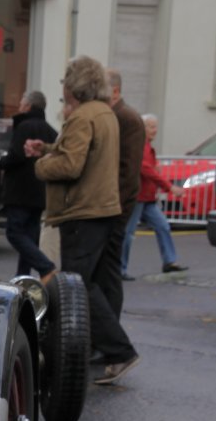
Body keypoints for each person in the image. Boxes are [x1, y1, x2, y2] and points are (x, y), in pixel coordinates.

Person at [28, 55, 139, 384]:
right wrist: (49, 148)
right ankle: (109, 350)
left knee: (77, 286)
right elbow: (86, 153)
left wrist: (40, 165)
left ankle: (118, 350)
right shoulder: (104, 113)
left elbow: (71, 165)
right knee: (96, 283)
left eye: (66, 81)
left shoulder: (81, 117)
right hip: (103, 208)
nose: (63, 86)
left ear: (75, 85)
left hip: (81, 210)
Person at [0, 90, 58, 279]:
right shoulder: (51, 131)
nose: (19, 107)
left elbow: (16, 156)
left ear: (28, 106)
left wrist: (1, 163)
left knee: (14, 233)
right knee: (30, 236)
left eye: (21, 103)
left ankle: (46, 267)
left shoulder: (23, 126)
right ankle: (22, 276)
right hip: (40, 191)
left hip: (19, 190)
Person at [120, 114, 183, 276]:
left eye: (155, 127)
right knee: (128, 233)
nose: (155, 130)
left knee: (162, 226)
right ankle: (120, 268)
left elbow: (147, 168)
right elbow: (145, 169)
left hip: (146, 196)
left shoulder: (144, 145)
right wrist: (169, 186)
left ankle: (169, 261)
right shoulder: (141, 145)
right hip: (138, 195)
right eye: (151, 127)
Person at [106, 69, 150, 283]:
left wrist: (113, 204)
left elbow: (128, 169)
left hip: (116, 204)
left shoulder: (126, 118)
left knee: (109, 265)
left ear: (115, 91)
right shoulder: (116, 115)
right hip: (114, 202)